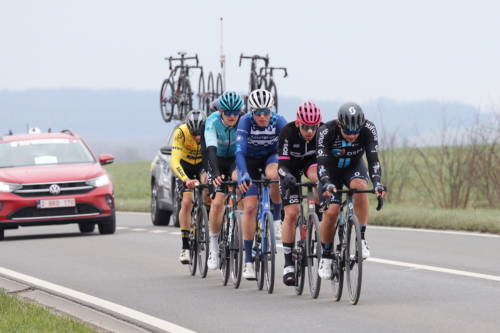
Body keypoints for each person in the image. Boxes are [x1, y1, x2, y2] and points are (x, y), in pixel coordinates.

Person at [316, 102, 387, 280]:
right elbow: (321, 163)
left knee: (361, 188)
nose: (353, 136)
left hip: (353, 167)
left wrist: (377, 182)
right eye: (348, 132)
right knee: (331, 212)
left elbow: (373, 159)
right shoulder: (326, 131)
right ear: (339, 124)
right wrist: (325, 182)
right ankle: (325, 255)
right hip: (330, 171)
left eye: (356, 132)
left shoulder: (368, 128)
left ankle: (361, 238)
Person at [236, 89, 287, 280]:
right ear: (251, 111)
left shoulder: (279, 121)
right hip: (248, 160)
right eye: (258, 112)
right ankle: (248, 260)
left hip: (270, 157)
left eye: (266, 111)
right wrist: (244, 175)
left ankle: (275, 219)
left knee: (274, 175)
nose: (263, 116)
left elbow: (286, 150)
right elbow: (239, 152)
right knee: (249, 208)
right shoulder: (245, 121)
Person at [277, 101, 323, 286]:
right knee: (292, 213)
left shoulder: (321, 132)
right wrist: (286, 176)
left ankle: (316, 222)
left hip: (310, 164)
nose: (310, 131)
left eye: (314, 126)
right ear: (298, 123)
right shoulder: (287, 132)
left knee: (318, 179)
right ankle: (288, 264)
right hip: (291, 169)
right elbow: (281, 165)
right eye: (306, 127)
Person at [201, 91, 244, 270]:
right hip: (216, 159)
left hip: (235, 159)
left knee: (240, 183)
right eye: (228, 113)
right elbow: (210, 149)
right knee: (217, 203)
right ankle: (213, 247)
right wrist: (215, 172)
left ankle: (240, 230)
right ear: (220, 111)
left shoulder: (243, 121)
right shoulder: (211, 121)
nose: (232, 116)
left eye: (236, 112)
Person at [170, 109, 208, 264]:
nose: (198, 137)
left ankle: (206, 218)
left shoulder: (209, 130)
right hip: (185, 167)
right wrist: (185, 179)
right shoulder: (181, 132)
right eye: (194, 134)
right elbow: (174, 161)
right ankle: (185, 247)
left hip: (201, 166)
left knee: (208, 187)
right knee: (186, 203)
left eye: (200, 133)